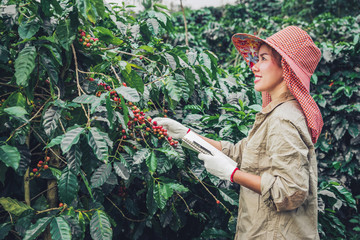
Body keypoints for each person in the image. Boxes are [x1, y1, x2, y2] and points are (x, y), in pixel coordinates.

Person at [154, 26, 323, 239]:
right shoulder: (276, 114)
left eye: (263, 58)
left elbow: (291, 191)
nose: (254, 67)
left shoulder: (284, 119)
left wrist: (233, 175)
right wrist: (186, 135)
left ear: (285, 67)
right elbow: (238, 152)